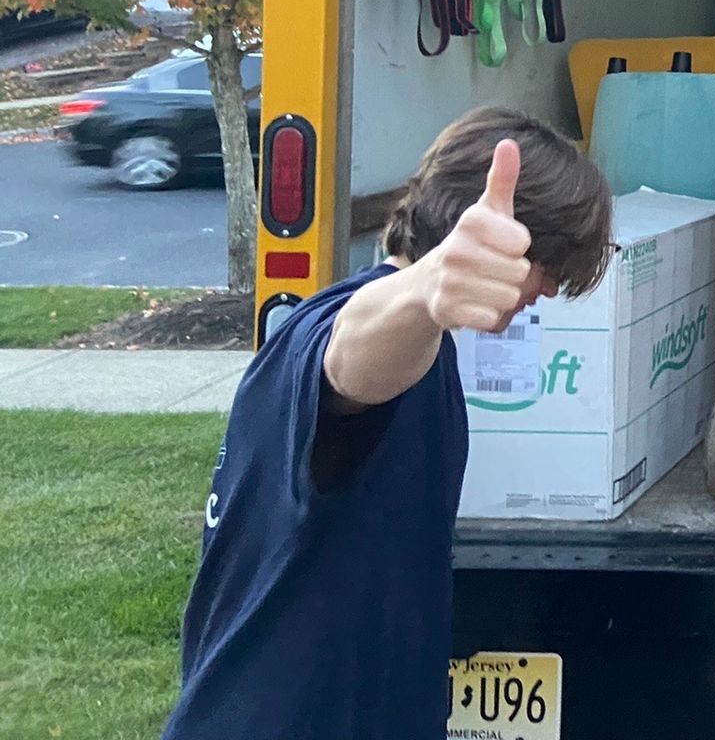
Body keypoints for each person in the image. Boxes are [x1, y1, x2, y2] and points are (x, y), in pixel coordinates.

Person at [162, 106, 614, 740]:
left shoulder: (357, 331)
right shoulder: (364, 336)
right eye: (550, 264)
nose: (547, 289)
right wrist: (426, 291)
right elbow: (351, 365)